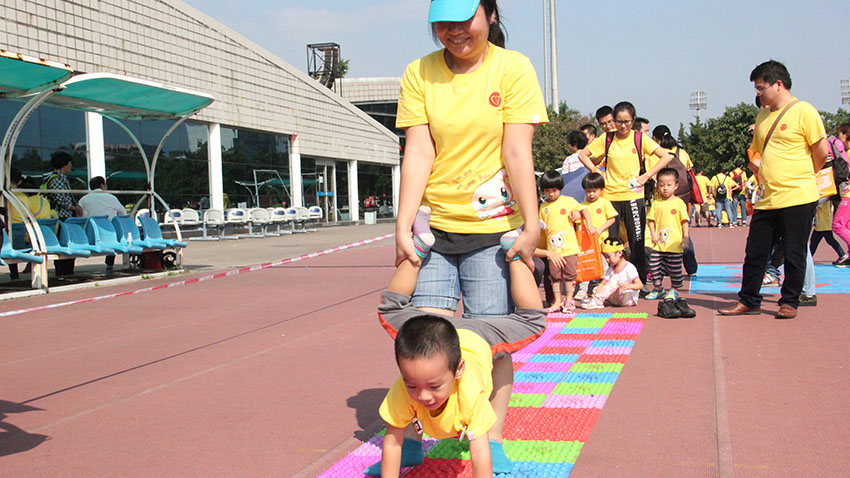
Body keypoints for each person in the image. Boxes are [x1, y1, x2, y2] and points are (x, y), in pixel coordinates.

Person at [392, 0, 548, 472]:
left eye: (466, 19)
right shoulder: (419, 73)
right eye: (443, 23)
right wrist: (402, 224)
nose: (455, 32)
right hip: (434, 230)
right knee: (420, 339)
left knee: (491, 340)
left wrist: (532, 222)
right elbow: (418, 151)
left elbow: (517, 152)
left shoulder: (513, 68)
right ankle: (414, 427)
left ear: (490, 15)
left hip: (493, 232)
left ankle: (492, 434)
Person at [368, 207, 546, 477]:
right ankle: (420, 246)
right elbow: (391, 440)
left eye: (434, 386)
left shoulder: (469, 392)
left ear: (459, 369)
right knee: (397, 321)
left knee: (533, 321)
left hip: (482, 334)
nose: (423, 395)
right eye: (413, 385)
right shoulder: (406, 388)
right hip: (435, 328)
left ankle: (514, 253)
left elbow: (478, 450)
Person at [720, 60, 829, 320]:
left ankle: (789, 301)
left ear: (778, 84)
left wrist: (802, 175)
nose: (759, 94)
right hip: (767, 198)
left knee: (793, 251)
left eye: (761, 88)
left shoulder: (804, 111)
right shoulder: (762, 116)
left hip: (798, 195)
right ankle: (749, 300)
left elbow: (822, 151)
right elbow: (758, 152)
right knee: (755, 252)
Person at [578, 101, 673, 290]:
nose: (623, 126)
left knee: (637, 241)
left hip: (633, 197)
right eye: (619, 121)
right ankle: (610, 281)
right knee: (611, 243)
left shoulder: (639, 138)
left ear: (633, 120)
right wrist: (597, 171)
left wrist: (646, 176)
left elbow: (666, 156)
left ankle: (640, 283)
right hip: (611, 197)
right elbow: (583, 155)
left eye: (627, 122)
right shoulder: (607, 139)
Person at [535, 170, 593, 313]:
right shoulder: (543, 207)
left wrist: (589, 224)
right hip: (553, 251)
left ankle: (569, 300)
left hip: (570, 249)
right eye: (547, 191)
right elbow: (542, 229)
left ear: (560, 188)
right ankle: (557, 301)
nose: (551, 194)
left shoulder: (568, 201)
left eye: (554, 190)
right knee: (555, 276)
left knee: (569, 275)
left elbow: (584, 210)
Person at [644, 169, 691, 305]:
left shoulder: (679, 203)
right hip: (658, 244)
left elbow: (684, 221)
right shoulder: (656, 203)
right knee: (654, 266)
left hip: (674, 244)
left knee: (675, 269)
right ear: (657, 185)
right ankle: (658, 288)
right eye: (662, 184)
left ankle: (674, 289)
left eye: (668, 185)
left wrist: (685, 237)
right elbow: (651, 220)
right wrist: (652, 233)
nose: (665, 188)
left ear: (676, 185)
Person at [574, 172, 617, 301]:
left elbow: (612, 219)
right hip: (587, 245)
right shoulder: (581, 206)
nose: (591, 194)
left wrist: (600, 229)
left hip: (602, 243)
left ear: (601, 190)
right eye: (588, 191)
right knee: (586, 265)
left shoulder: (604, 203)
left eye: (594, 191)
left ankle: (600, 287)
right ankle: (582, 288)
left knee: (602, 266)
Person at [7, 167, 54, 279]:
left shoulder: (4, 197)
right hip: (22, 236)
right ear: (19, 182)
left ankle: (14, 274)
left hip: (8, 236)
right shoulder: (24, 198)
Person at [44, 151, 82, 276]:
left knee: (67, 244)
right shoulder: (58, 180)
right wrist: (74, 208)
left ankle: (65, 271)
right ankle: (63, 272)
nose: (71, 165)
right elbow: (61, 200)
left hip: (64, 216)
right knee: (65, 244)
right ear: (64, 164)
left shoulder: (59, 178)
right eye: (70, 163)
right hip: (63, 217)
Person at [79, 176, 127, 271]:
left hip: (90, 235)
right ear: (102, 185)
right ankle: (110, 263)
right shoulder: (111, 198)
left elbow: (80, 215)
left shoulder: (83, 199)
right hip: (109, 235)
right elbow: (123, 213)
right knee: (116, 228)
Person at [578, 238, 642, 309]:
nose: (607, 260)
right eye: (605, 257)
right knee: (597, 288)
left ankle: (597, 301)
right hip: (616, 298)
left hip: (628, 299)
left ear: (619, 253)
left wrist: (629, 286)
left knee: (615, 278)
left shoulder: (629, 267)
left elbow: (639, 285)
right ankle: (597, 300)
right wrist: (596, 294)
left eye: (608, 257)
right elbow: (603, 283)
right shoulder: (611, 268)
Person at [830, 123, 850, 266]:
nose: (838, 137)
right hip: (846, 192)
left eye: (840, 134)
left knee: (837, 225)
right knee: (847, 226)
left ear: (845, 134)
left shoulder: (846, 153)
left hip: (848, 194)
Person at [810, 200, 846, 264]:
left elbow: (816, 204)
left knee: (830, 240)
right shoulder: (825, 199)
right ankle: (808, 258)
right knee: (813, 242)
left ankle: (842, 254)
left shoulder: (825, 200)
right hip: (820, 224)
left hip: (824, 224)